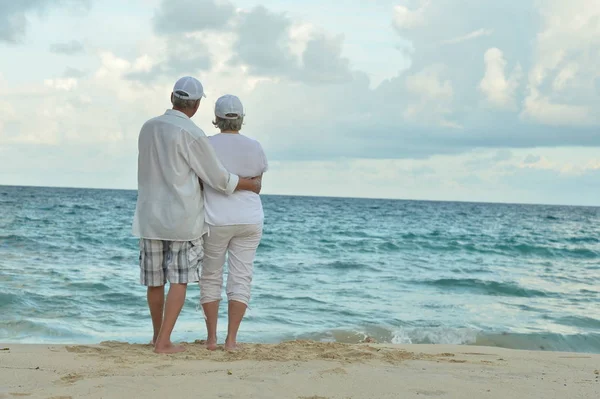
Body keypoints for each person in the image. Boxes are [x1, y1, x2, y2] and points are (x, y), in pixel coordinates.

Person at [132, 78, 261, 354]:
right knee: (179, 279)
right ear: (197, 103)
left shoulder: (148, 127)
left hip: (149, 215)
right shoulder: (192, 133)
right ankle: (165, 342)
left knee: (154, 280)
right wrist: (249, 185)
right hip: (182, 217)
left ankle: (156, 337)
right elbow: (217, 178)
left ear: (171, 97)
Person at [200, 94, 268, 351]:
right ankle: (231, 341)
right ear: (241, 119)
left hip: (216, 219)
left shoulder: (206, 144)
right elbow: (258, 186)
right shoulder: (255, 146)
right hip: (249, 219)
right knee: (241, 277)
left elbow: (199, 181)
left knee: (211, 276)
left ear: (216, 119)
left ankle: (211, 339)